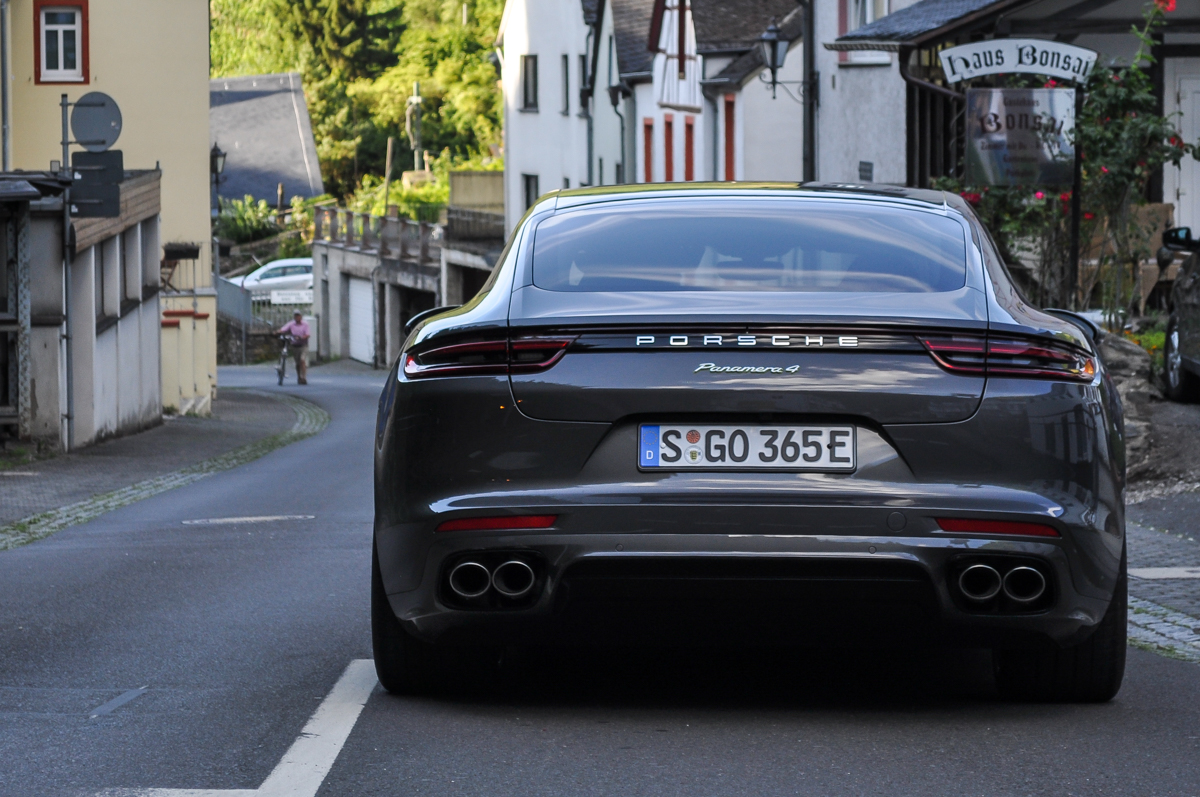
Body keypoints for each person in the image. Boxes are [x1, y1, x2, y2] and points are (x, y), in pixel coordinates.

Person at [278, 311, 311, 385]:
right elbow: (284, 329)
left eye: (298, 316)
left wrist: (301, 337)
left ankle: (304, 377)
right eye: (295, 316)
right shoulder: (291, 324)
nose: (297, 317)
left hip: (303, 345)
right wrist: (278, 332)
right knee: (297, 363)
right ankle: (299, 377)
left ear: (301, 317)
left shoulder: (305, 324)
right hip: (295, 345)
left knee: (302, 360)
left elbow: (308, 334)